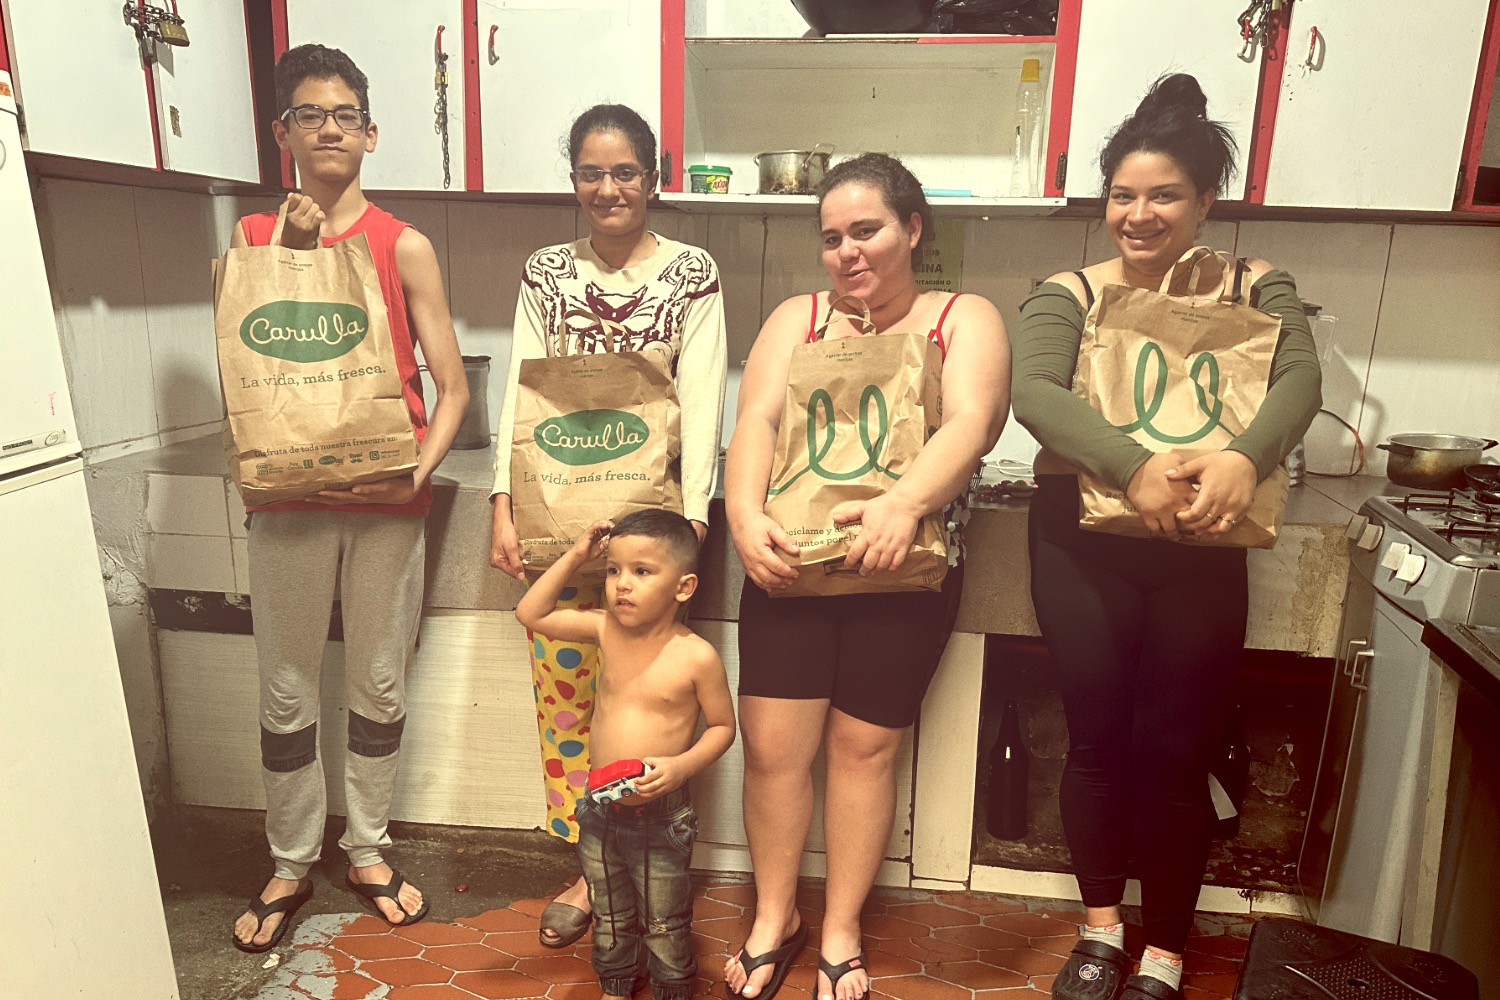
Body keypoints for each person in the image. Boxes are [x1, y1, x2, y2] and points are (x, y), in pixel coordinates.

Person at [1011, 74, 1320, 1000]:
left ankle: (1167, 950)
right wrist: (1133, 465)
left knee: (1176, 751)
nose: (1138, 215)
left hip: (1203, 545)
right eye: (1122, 195)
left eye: (1164, 195)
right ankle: (1103, 932)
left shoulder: (1258, 283)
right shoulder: (1068, 291)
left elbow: (1298, 383)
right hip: (1083, 541)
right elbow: (1036, 392)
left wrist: (1243, 457)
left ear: (1205, 202)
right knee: (1097, 741)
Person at [723, 153, 1009, 1000]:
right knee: (774, 752)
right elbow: (758, 420)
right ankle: (776, 917)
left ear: (913, 230)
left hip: (902, 572)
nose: (847, 252)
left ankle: (841, 927)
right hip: (791, 564)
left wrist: (903, 502)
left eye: (867, 231)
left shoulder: (964, 316)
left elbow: (973, 422)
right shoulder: (797, 318)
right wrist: (744, 520)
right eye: (832, 237)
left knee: (863, 750)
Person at [229, 45, 469, 952]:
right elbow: (251, 364)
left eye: (344, 115)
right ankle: (291, 857)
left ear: (370, 132)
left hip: (385, 504)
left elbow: (451, 385)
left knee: (377, 680)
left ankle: (367, 846)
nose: (328, 128)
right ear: (283, 132)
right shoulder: (253, 240)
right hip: (286, 502)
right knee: (284, 687)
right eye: (308, 114)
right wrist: (295, 249)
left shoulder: (403, 243)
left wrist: (418, 470)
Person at [489, 104, 728, 947]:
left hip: (653, 543)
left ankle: (654, 856)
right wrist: (502, 500)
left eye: (624, 171)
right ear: (574, 182)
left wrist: (690, 524)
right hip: (563, 528)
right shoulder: (546, 271)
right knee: (567, 710)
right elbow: (518, 393)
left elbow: (703, 403)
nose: (607, 188)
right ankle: (586, 869)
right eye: (591, 172)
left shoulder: (691, 272)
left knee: (651, 701)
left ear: (653, 178)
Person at [515, 510, 736, 1000]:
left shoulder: (696, 656)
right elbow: (530, 613)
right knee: (609, 909)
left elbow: (723, 728)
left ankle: (672, 987)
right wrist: (577, 555)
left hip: (662, 816)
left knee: (664, 918)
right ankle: (616, 982)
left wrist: (681, 767)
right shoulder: (603, 629)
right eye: (614, 570)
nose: (622, 585)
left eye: (642, 571)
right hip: (600, 809)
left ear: (684, 587)